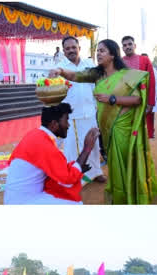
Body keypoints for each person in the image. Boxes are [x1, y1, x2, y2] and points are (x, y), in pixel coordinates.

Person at [49, 39, 157, 205]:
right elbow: (74, 75)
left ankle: (131, 196)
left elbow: (137, 99)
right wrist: (59, 70)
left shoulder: (127, 74)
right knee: (115, 165)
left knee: (126, 162)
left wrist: (113, 99)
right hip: (107, 127)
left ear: (113, 54)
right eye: (97, 51)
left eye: (102, 51)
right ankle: (118, 196)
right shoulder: (97, 74)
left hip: (123, 127)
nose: (98, 54)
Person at [4, 103, 99, 204]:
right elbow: (67, 179)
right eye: (66, 120)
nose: (68, 125)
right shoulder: (44, 144)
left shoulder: (36, 134)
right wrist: (87, 149)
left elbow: (57, 168)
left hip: (15, 197)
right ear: (54, 124)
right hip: (23, 202)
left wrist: (79, 167)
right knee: (74, 204)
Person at [58, 36, 104, 184]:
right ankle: (75, 177)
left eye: (73, 47)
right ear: (64, 51)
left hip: (90, 113)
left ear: (79, 48)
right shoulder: (60, 68)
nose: (71, 50)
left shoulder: (89, 64)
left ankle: (96, 172)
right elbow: (57, 94)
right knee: (72, 149)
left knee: (94, 144)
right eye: (68, 48)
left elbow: (95, 86)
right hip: (71, 116)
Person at [119, 36, 156, 139]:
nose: (127, 47)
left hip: (141, 101)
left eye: (130, 44)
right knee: (126, 131)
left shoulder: (144, 60)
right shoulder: (119, 62)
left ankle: (139, 154)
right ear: (122, 48)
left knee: (140, 131)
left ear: (134, 45)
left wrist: (150, 102)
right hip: (124, 102)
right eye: (125, 45)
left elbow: (151, 82)